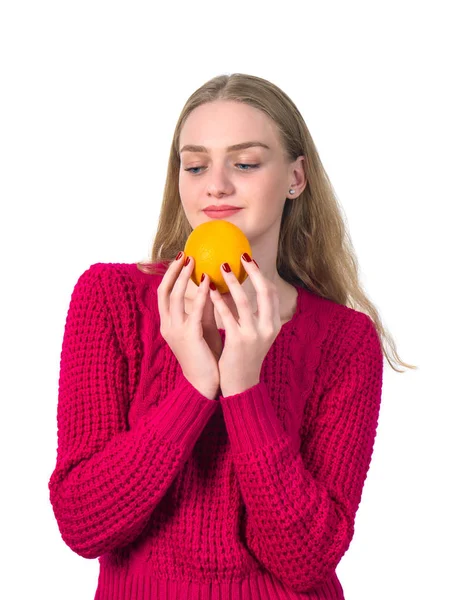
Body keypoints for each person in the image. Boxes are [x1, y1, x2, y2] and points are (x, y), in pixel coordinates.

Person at [48, 73, 416, 600]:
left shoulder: (344, 338)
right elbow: (84, 524)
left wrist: (244, 388)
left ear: (295, 177)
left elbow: (307, 560)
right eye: (195, 165)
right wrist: (195, 386)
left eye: (244, 163)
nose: (215, 184)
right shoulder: (111, 298)